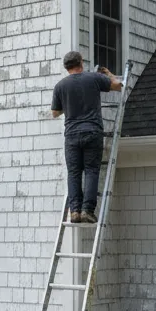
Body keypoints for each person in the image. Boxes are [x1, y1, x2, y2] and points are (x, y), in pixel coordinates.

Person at [51, 51, 123, 224]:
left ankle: (74, 211)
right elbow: (118, 86)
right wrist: (109, 74)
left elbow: (54, 113)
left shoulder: (60, 86)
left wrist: (69, 105)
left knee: (74, 172)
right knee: (91, 170)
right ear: (81, 63)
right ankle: (87, 211)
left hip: (72, 135)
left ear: (66, 67)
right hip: (92, 131)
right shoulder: (93, 78)